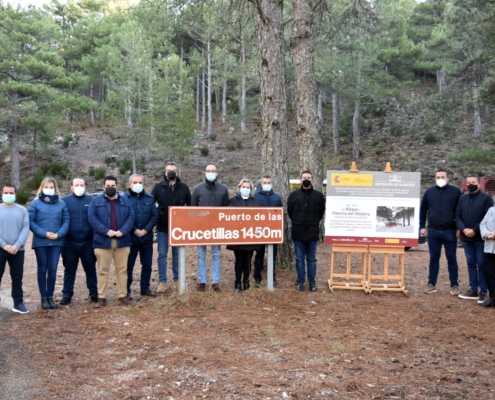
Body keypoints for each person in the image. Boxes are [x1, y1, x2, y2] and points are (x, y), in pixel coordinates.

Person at [88, 176, 135, 308]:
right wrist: (106, 231)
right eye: (108, 185)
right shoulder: (95, 202)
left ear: (117, 187)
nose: (110, 188)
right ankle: (101, 297)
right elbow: (92, 218)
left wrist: (123, 231)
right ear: (103, 187)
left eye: (113, 185)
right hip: (103, 241)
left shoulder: (125, 201)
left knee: (122, 270)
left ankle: (123, 295)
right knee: (103, 271)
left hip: (122, 241)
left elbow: (131, 218)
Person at [29, 177, 70, 310]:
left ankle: (50, 297)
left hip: (57, 242)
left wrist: (58, 234)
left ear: (55, 189)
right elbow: (31, 222)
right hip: (41, 241)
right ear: (42, 188)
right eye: (46, 187)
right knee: (42, 269)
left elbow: (66, 221)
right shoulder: (35, 203)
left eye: (51, 187)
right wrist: (44, 233)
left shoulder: (61, 204)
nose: (49, 189)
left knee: (52, 269)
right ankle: (44, 298)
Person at [420, 169, 462, 295]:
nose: (440, 179)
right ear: (435, 178)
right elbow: (423, 211)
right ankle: (431, 284)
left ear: (448, 178)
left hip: (450, 231)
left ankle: (454, 285)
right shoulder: (429, 192)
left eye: (442, 177)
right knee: (434, 258)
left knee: (452, 258)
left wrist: (459, 228)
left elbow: (460, 211)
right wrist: (422, 227)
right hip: (433, 231)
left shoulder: (456, 192)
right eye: (438, 177)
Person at [151, 162, 191, 293]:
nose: (171, 172)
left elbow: (190, 207)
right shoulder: (158, 187)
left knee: (176, 255)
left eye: (174, 170)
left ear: (177, 172)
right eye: (169, 170)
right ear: (165, 172)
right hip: (162, 227)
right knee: (162, 254)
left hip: (179, 229)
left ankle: (177, 279)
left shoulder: (184, 188)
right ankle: (162, 280)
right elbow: (151, 205)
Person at [191, 164, 229, 292]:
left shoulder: (223, 189)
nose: (211, 173)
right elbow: (193, 210)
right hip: (201, 229)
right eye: (209, 171)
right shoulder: (197, 189)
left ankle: (215, 282)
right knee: (201, 255)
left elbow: (226, 210)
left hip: (217, 228)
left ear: (217, 173)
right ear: (205, 172)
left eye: (213, 171)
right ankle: (202, 282)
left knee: (216, 254)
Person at [60, 178, 98, 305]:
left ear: (85, 186)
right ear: (71, 187)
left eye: (82, 185)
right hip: (69, 242)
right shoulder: (64, 201)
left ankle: (94, 293)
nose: (79, 187)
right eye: (77, 185)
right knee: (69, 270)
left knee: (91, 269)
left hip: (88, 242)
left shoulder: (92, 200)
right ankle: (67, 294)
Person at [456, 174, 493, 303]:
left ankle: (483, 291)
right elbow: (458, 215)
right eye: (468, 182)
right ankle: (473, 289)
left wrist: (474, 230)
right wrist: (463, 229)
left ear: (479, 184)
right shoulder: (462, 198)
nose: (471, 184)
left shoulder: (486, 199)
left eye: (473, 182)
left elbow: (487, 218)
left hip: (480, 238)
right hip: (466, 238)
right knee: (470, 263)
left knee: (481, 264)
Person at [287, 171, 325, 292]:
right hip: (298, 232)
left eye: (308, 177)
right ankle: (300, 282)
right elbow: (290, 212)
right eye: (304, 178)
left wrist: (312, 222)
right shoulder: (293, 195)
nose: (306, 179)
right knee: (299, 259)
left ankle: (312, 283)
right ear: (300, 180)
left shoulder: (319, 196)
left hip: (312, 232)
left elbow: (321, 213)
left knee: (312, 259)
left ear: (312, 180)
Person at [124, 174, 159, 298]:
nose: (138, 184)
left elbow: (154, 215)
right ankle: (126, 291)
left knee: (147, 265)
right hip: (131, 238)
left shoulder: (149, 198)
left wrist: (145, 230)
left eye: (140, 182)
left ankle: (145, 288)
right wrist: (134, 230)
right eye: (135, 182)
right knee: (129, 266)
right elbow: (124, 216)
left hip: (146, 238)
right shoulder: (124, 198)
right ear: (130, 184)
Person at [0, 184, 30, 313]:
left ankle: (18, 303)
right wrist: (4, 245)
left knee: (17, 278)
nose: (8, 195)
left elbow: (25, 228)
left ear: (15, 194)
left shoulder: (22, 210)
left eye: (11, 193)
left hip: (18, 250)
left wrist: (17, 245)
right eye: (6, 193)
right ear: (1, 193)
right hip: (1, 249)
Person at [227, 179, 260, 293]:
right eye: (243, 186)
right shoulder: (233, 201)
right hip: (238, 236)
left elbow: (259, 217)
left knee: (248, 260)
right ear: (239, 188)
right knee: (239, 260)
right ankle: (237, 283)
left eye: (248, 187)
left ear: (250, 189)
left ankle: (246, 281)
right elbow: (230, 216)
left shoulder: (255, 201)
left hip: (251, 236)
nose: (245, 189)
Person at [253, 175, 283, 288]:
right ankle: (257, 277)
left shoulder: (277, 197)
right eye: (265, 183)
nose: (267, 184)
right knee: (259, 255)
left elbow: (280, 214)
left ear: (272, 184)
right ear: (261, 184)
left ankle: (272, 278)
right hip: (260, 231)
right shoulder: (255, 197)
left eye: (269, 182)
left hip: (273, 232)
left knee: (273, 255)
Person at [479, 205, 495, 307]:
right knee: (488, 272)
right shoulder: (491, 209)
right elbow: (483, 224)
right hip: (490, 247)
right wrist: (487, 234)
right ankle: (493, 298)